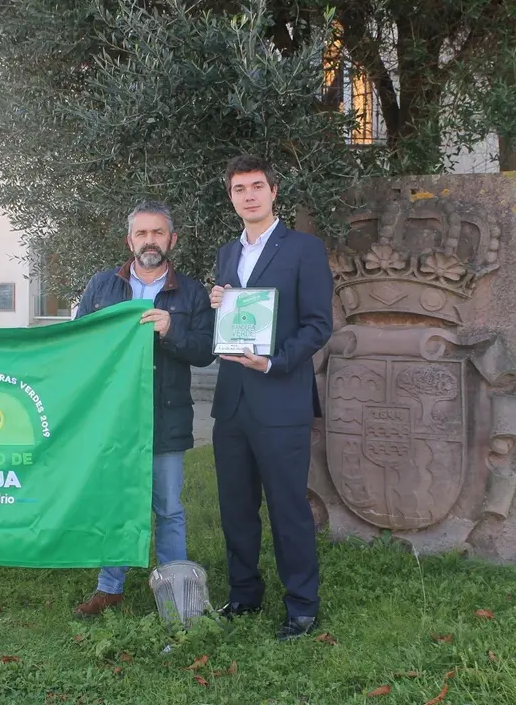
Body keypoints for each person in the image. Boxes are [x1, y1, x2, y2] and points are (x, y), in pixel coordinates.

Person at [209, 154, 334, 640]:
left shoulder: (304, 249)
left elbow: (319, 325)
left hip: (281, 397)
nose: (249, 195)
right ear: (232, 197)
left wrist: (275, 360)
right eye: (239, 189)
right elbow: (235, 318)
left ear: (274, 191)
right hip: (232, 402)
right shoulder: (227, 253)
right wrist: (221, 303)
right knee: (235, 506)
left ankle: (302, 606)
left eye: (257, 186)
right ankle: (244, 594)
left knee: (287, 508)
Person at [72, 199, 215, 616]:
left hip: (165, 414)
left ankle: (175, 591)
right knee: (115, 500)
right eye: (141, 233)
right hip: (113, 417)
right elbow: (81, 342)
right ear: (129, 240)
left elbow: (206, 351)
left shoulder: (191, 292)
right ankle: (109, 587)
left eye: (157, 233)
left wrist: (173, 329)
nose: (149, 241)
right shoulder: (103, 286)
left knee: (168, 507)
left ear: (172, 239)